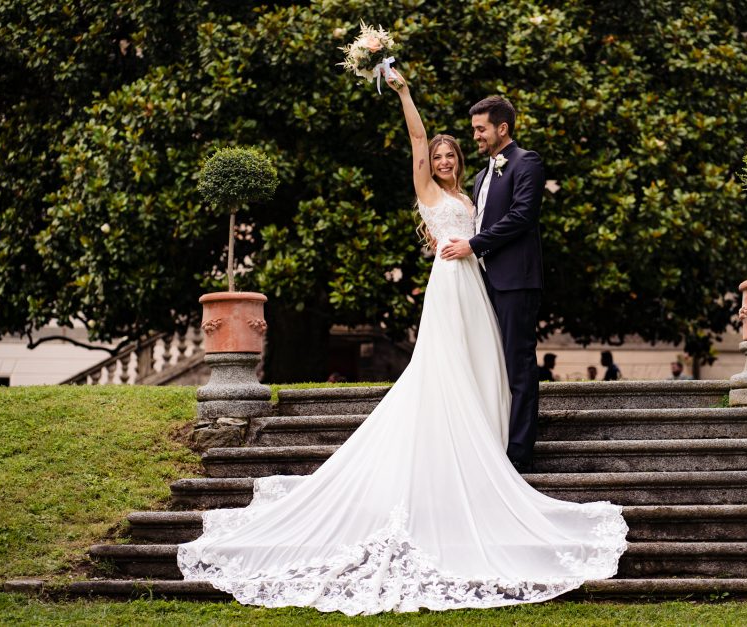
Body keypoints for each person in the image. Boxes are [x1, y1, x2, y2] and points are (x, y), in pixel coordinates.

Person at [176, 70, 627, 616]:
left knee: (492, 363)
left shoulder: (485, 180)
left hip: (481, 284)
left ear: (490, 136)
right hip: (453, 282)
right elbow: (417, 142)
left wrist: (473, 243)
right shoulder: (436, 189)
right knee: (446, 368)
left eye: (459, 146)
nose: (447, 157)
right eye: (440, 153)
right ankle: (479, 454)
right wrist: (403, 93)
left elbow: (515, 218)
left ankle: (502, 450)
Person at [440, 95, 544, 473]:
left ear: (502, 128)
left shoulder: (526, 162)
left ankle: (519, 452)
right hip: (483, 281)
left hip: (516, 279)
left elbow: (521, 216)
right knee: (490, 362)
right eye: (473, 129)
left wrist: (473, 245)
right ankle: (495, 437)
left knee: (518, 362)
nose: (476, 136)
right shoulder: (482, 176)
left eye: (481, 129)